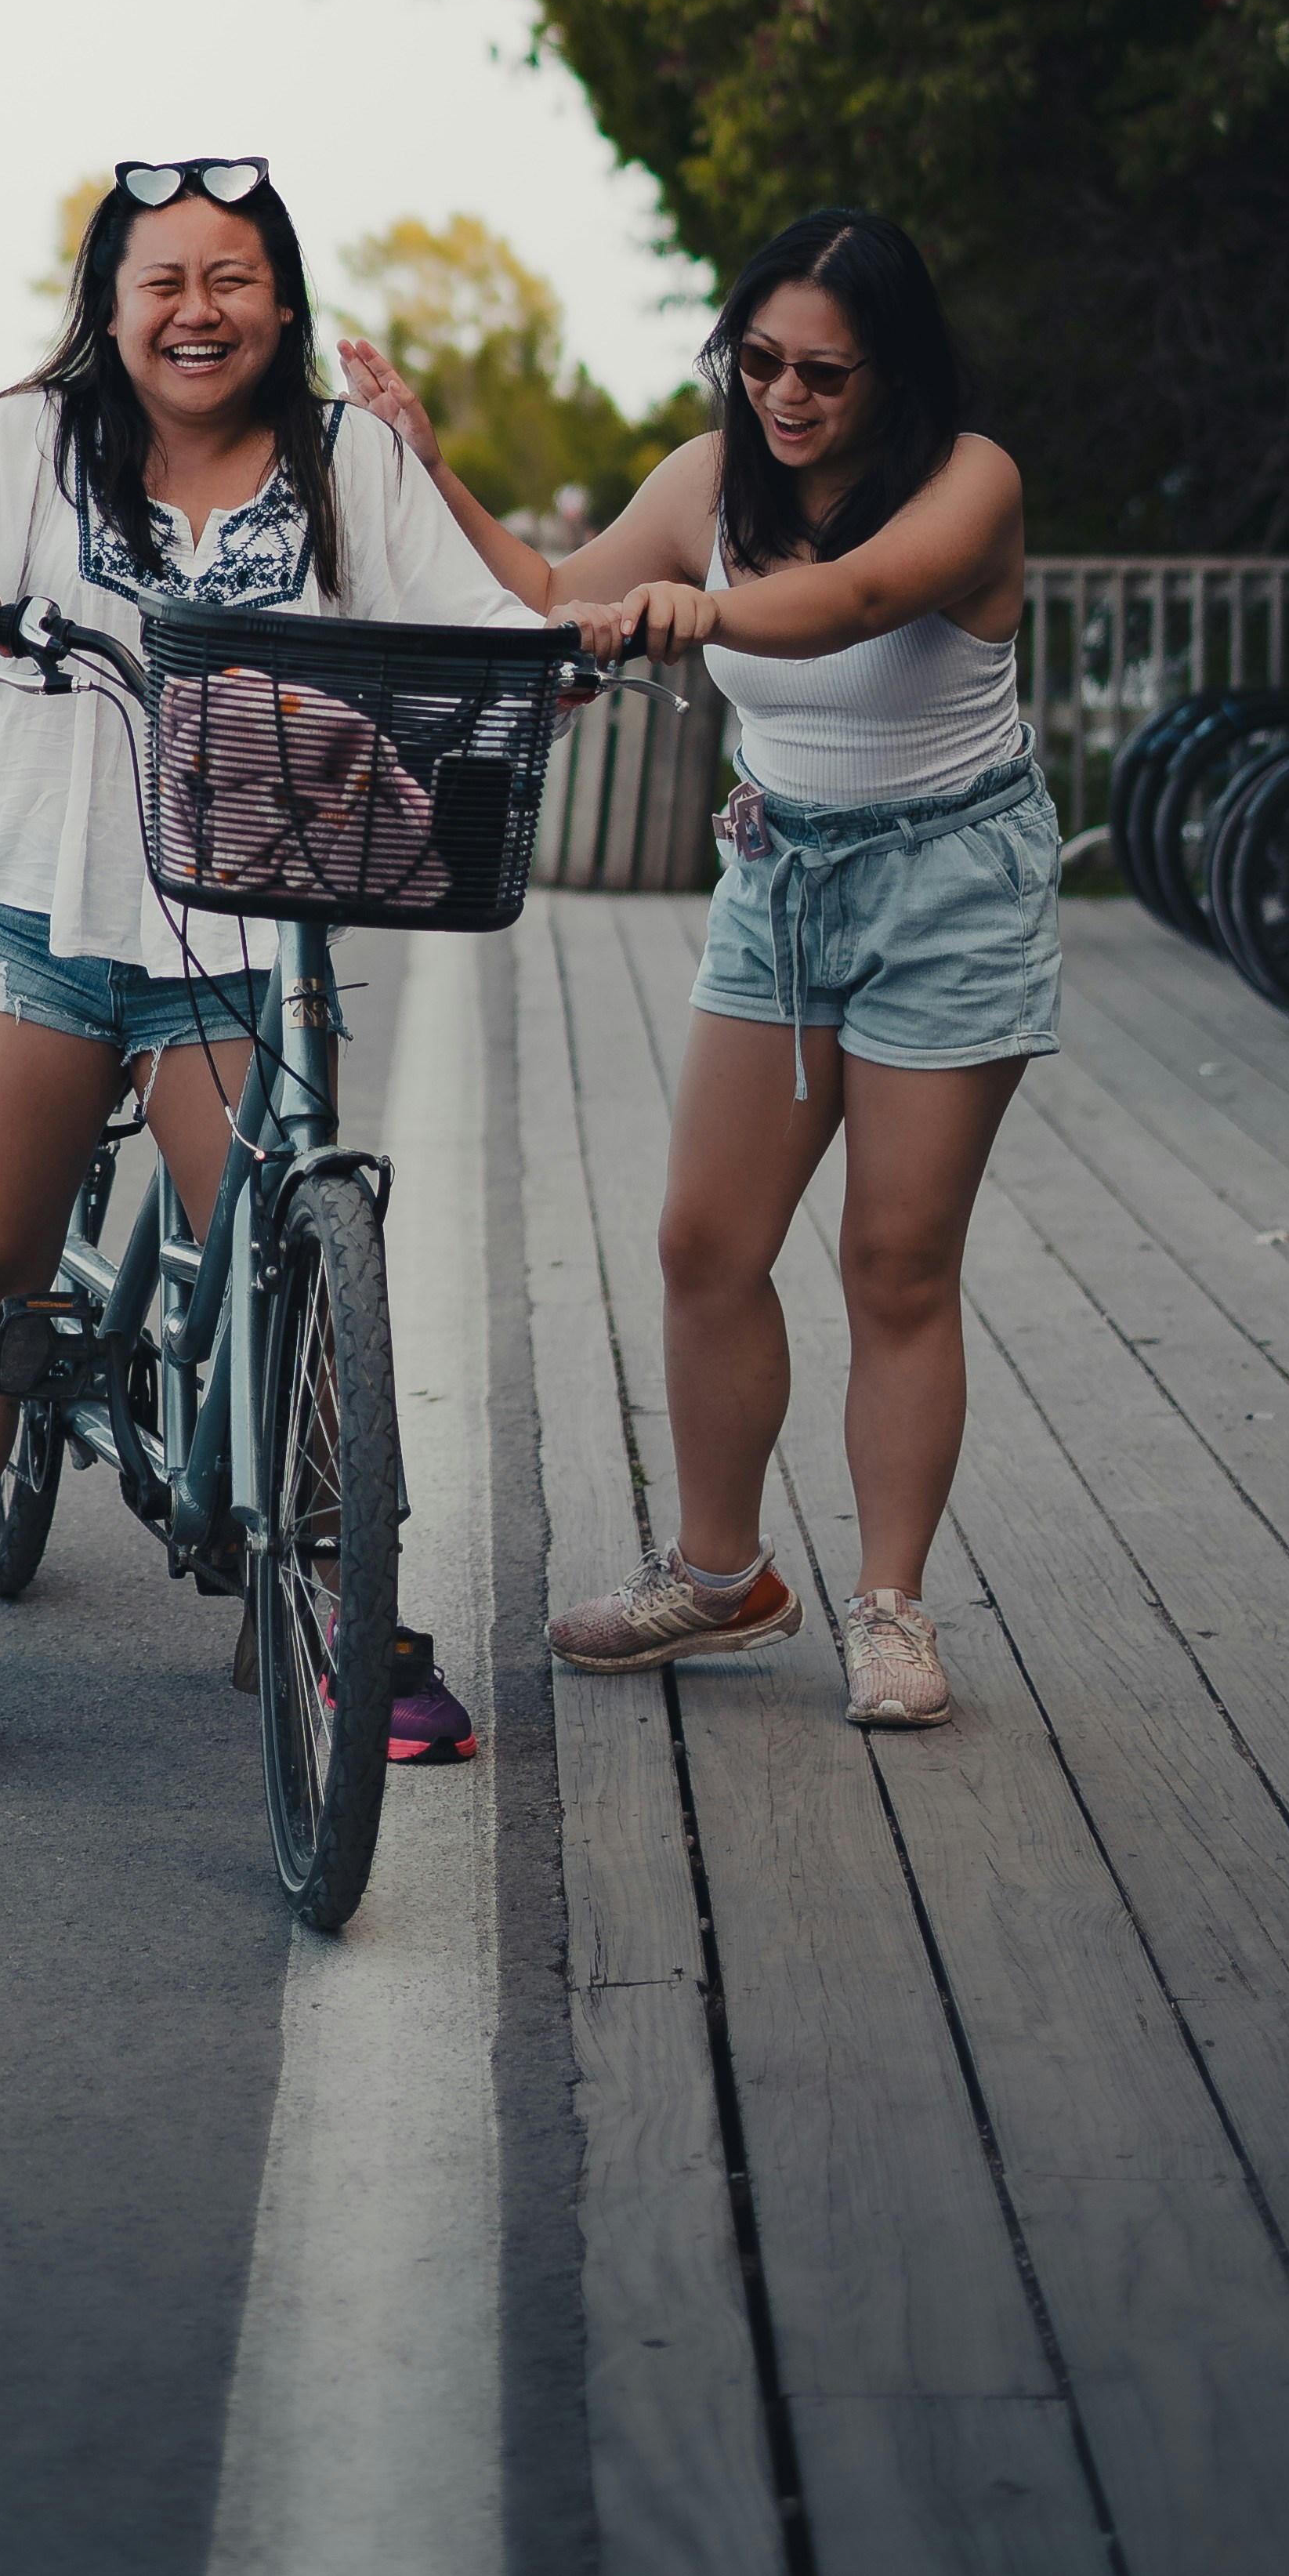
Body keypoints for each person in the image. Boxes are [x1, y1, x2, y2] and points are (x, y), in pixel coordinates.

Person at [0, 157, 542, 1780]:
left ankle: (353, 1616)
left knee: (290, 1266)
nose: (196, 311)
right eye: (163, 282)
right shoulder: (28, 441)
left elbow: (482, 625)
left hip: (247, 932)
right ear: (114, 307)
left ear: (281, 303)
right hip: (40, 919)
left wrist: (552, 669)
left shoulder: (351, 464)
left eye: (230, 279)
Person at [340, 205, 1056, 1729]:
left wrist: (703, 611)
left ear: (892, 375)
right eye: (762, 362)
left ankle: (891, 1611)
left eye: (826, 374)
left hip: (952, 887)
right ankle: (721, 1579)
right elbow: (552, 589)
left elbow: (855, 601)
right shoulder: (710, 476)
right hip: (782, 878)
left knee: (896, 1264)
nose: (787, 398)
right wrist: (428, 462)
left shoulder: (967, 482)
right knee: (704, 1244)